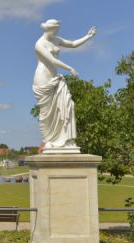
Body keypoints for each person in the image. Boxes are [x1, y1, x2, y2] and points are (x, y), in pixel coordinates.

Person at [33, 19, 96, 150]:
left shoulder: (56, 40)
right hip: (43, 79)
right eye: (56, 30)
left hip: (55, 78)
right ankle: (49, 140)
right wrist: (69, 68)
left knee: (68, 105)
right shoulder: (39, 44)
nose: (57, 32)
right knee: (47, 113)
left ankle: (66, 139)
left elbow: (72, 44)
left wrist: (88, 36)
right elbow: (51, 60)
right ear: (50, 29)